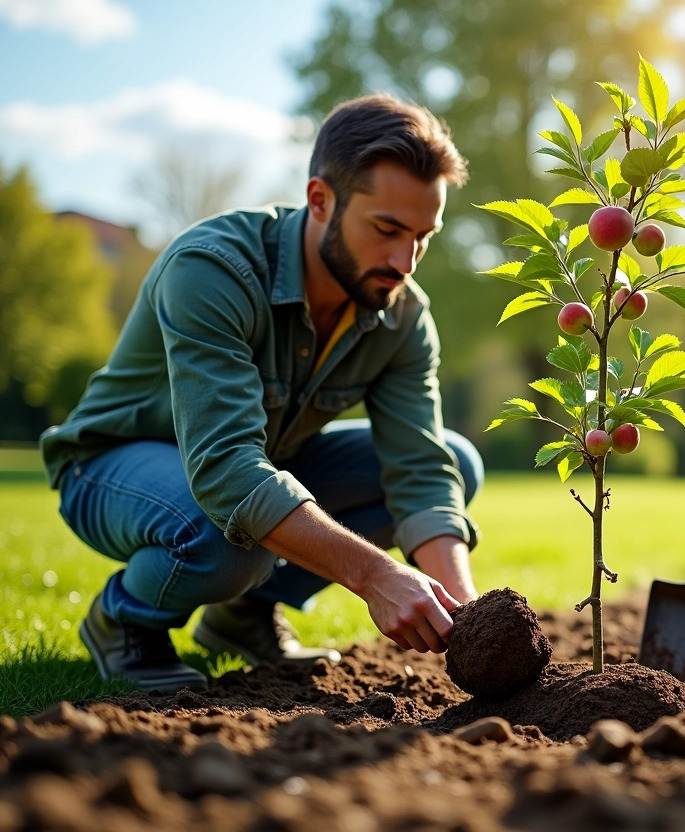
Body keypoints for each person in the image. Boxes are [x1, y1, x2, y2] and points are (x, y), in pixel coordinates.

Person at [40, 94, 483, 692]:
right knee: (232, 534)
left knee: (458, 461)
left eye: (423, 237)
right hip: (110, 465)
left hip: (250, 470)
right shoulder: (213, 269)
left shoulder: (401, 314)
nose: (405, 260)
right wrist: (376, 576)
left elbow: (421, 470)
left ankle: (240, 619)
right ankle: (124, 620)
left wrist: (467, 616)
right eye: (387, 230)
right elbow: (226, 469)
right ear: (320, 200)